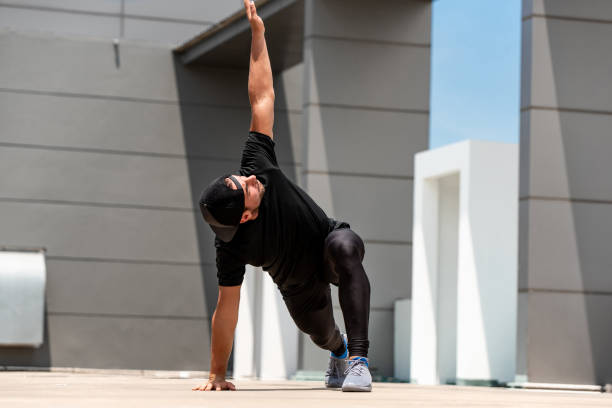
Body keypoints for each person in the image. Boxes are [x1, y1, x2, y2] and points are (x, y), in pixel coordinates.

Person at [192, 0, 372, 392]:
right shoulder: (232, 247)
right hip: (298, 287)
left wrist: (258, 35)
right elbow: (227, 310)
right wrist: (217, 374)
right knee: (321, 334)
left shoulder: (257, 161)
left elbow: (261, 96)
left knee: (345, 245)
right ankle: (340, 354)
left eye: (243, 179)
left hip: (324, 241)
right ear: (242, 216)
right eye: (246, 189)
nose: (251, 181)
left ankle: (359, 360)